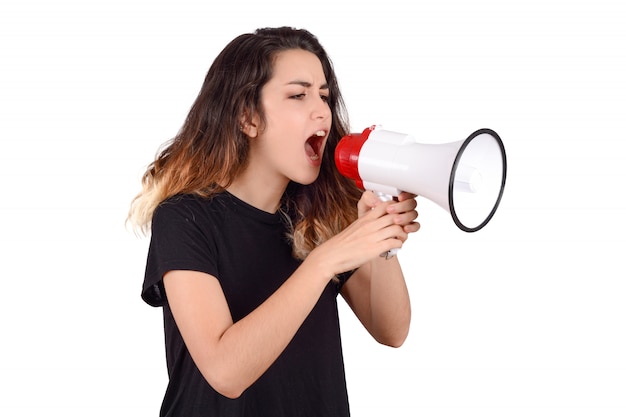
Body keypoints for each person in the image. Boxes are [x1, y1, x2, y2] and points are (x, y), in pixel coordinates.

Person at [127, 26, 420, 417]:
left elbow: (392, 330)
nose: (321, 111)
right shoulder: (184, 218)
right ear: (248, 118)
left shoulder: (321, 214)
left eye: (324, 96)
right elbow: (224, 371)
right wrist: (325, 261)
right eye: (298, 95)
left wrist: (381, 237)